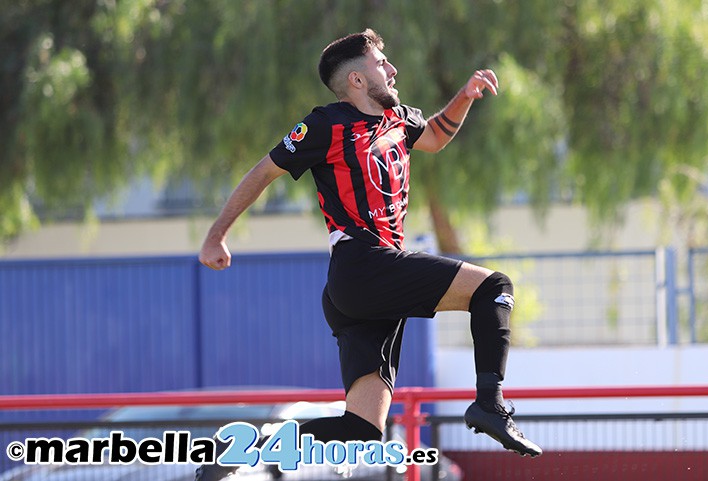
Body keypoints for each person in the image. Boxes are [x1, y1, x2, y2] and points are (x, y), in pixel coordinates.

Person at [196, 28, 541, 480]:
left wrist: (465, 95)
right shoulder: (324, 125)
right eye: (382, 63)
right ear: (356, 80)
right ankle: (490, 405)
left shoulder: (399, 118)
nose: (393, 69)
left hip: (367, 286)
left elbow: (434, 136)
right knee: (494, 287)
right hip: (362, 266)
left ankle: (243, 450)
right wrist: (215, 236)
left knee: (361, 431)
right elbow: (262, 173)